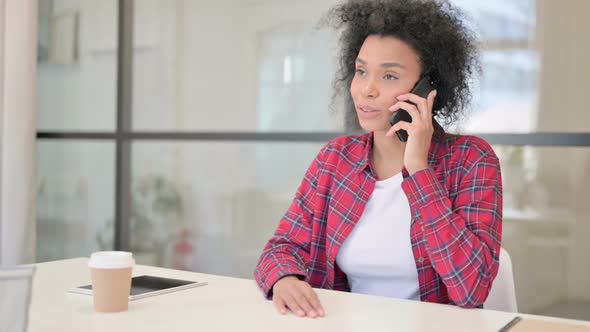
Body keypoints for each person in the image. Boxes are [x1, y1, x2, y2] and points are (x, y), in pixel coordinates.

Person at [254, 0, 502, 319]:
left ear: (428, 88)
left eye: (388, 76)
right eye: (361, 71)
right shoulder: (336, 159)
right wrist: (284, 278)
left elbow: (472, 289)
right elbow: (279, 249)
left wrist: (419, 171)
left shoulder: (471, 160)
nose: (366, 90)